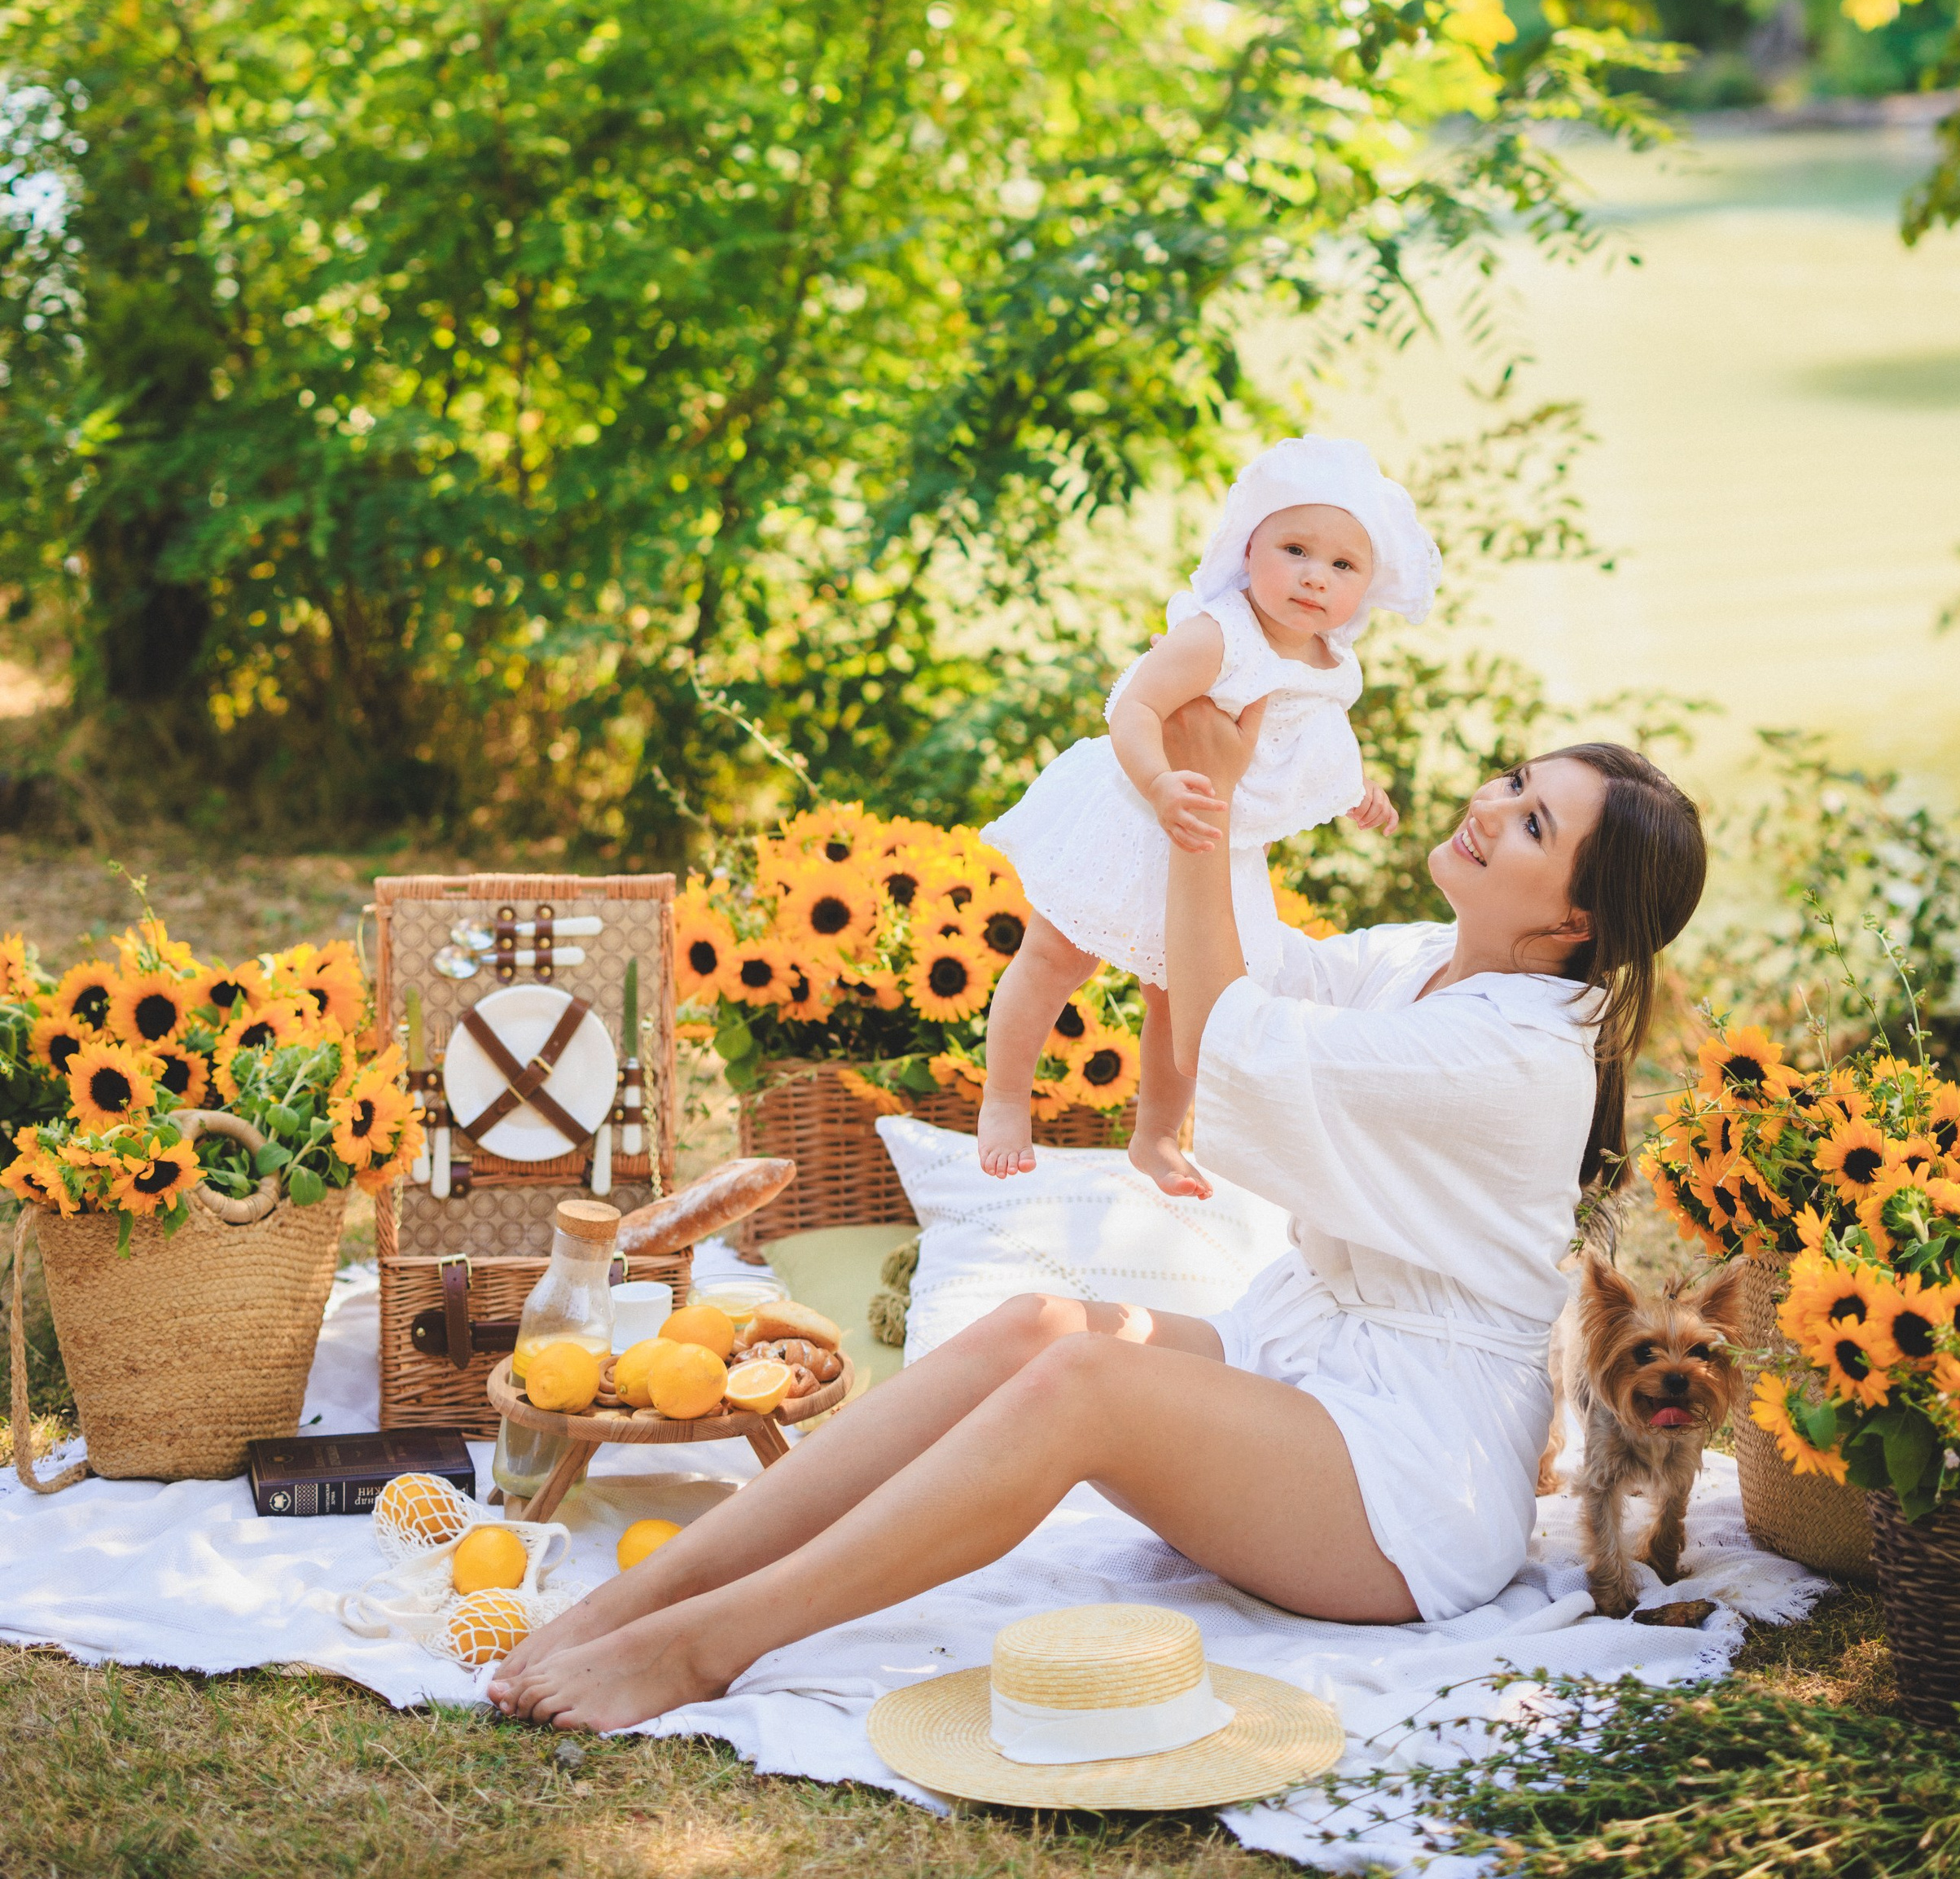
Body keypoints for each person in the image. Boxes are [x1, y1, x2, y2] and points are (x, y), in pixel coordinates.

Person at [487, 698, 1707, 1734]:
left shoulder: (1514, 1051)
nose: (1491, 808)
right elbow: (1244, 954)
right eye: (1511, 782)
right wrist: (1187, 774)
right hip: (1311, 1366)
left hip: (1412, 1488)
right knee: (1039, 1323)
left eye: (1535, 822)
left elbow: (1234, 1032)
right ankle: (639, 1600)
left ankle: (707, 1642)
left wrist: (1208, 816)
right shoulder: (1422, 959)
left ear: (1580, 922)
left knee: (1085, 1384)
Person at [976, 434, 1439, 1192]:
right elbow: (1135, 707)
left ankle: (1157, 1133)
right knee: (1057, 954)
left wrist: (1355, 790)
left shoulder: (1331, 663)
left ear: (1366, 589)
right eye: (1295, 548)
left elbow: (1314, 735)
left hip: (1216, 840)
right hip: (1134, 810)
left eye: (1342, 566)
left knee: (1181, 997)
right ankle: (1004, 1100)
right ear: (1250, 547)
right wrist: (1160, 782)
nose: (1314, 577)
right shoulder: (1218, 634)